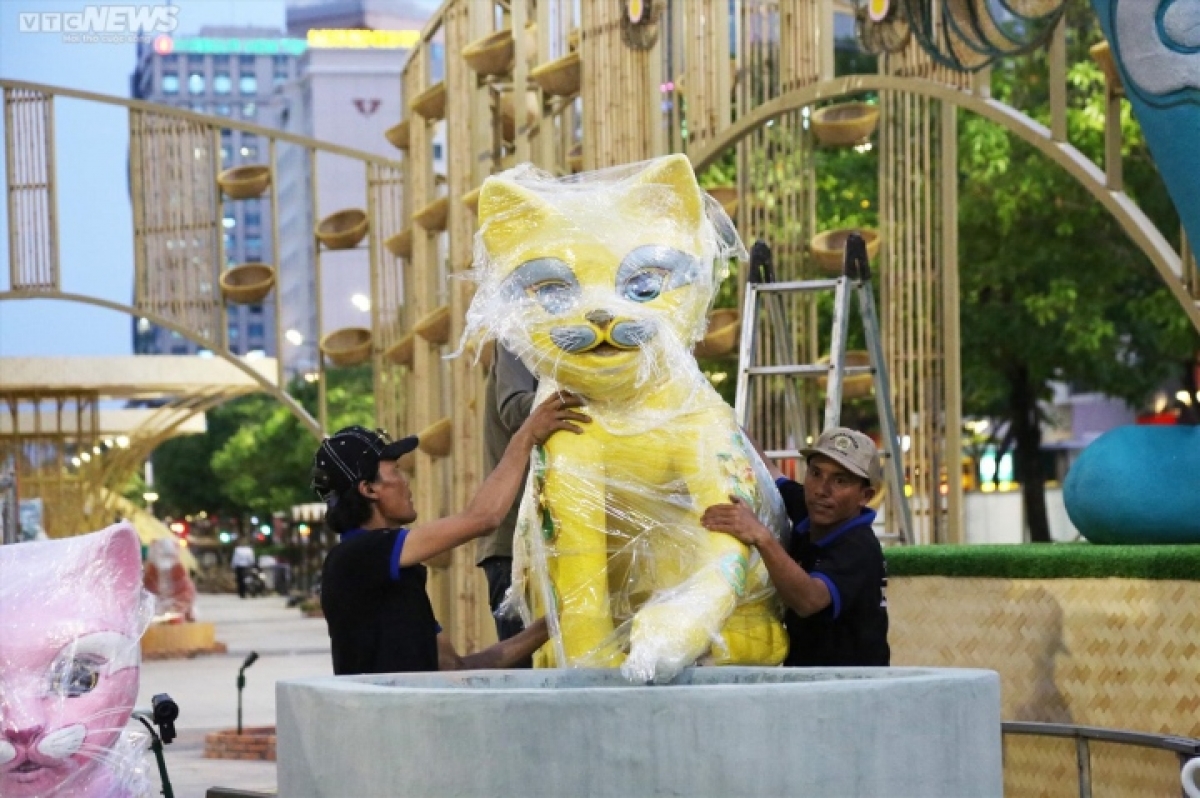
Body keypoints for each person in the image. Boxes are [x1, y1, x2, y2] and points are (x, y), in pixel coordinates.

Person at [311, 393, 588, 676]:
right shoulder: (356, 557)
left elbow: (454, 667)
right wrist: (526, 435)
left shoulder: (392, 571)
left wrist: (554, 623)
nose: (405, 482)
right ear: (368, 489)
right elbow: (483, 518)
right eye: (395, 471)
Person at [701, 427, 889, 667]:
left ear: (865, 495)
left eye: (840, 480)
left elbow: (809, 600)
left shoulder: (860, 547)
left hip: (850, 691)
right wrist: (721, 418)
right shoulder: (811, 507)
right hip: (805, 685)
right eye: (816, 473)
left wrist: (761, 537)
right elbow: (768, 469)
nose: (822, 489)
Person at [477, 344, 539, 649]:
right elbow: (514, 408)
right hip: (517, 546)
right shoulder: (520, 338)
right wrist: (592, 394)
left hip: (577, 538)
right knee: (528, 677)